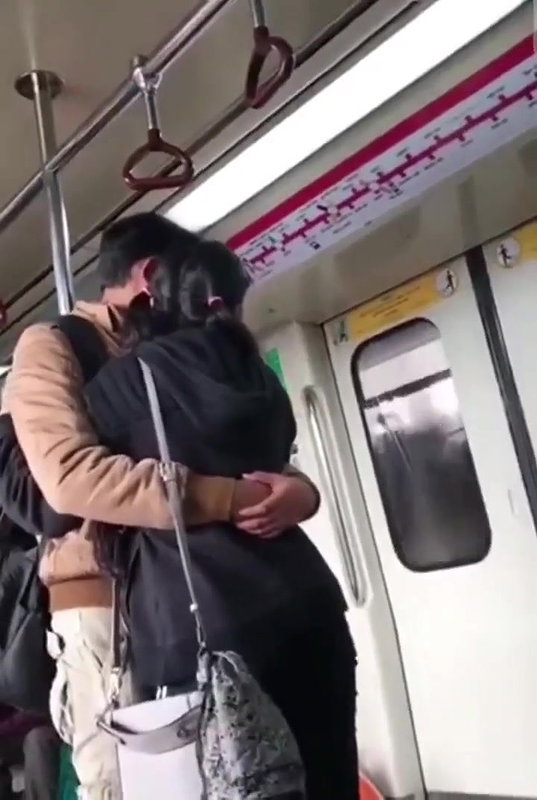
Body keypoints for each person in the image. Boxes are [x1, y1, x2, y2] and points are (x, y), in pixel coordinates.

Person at [1, 213, 320, 800]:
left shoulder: (176, 343)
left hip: (208, 583)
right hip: (106, 597)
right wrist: (225, 499)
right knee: (131, 779)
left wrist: (298, 490)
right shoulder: (54, 346)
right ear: (151, 276)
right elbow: (69, 478)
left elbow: (240, 448)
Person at [80, 234, 358, 798]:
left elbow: (60, 497)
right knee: (328, 777)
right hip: (309, 608)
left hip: (200, 628)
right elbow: (280, 468)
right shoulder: (261, 377)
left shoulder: (126, 383)